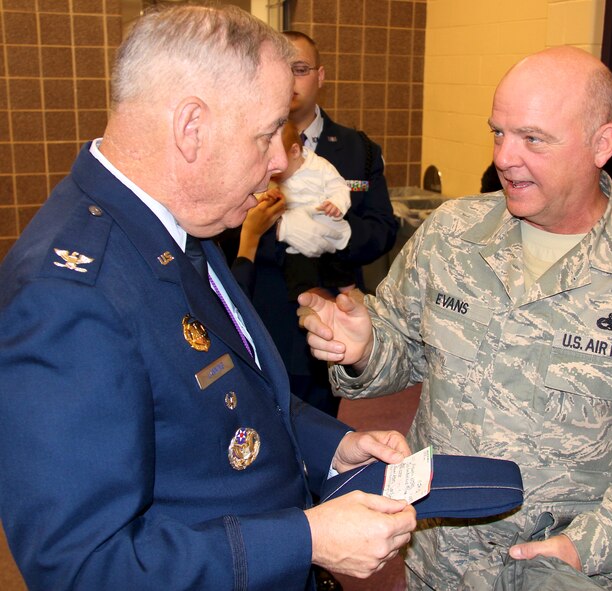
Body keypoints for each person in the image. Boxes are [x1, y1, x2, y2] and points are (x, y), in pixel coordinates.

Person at [0, 6, 416, 591]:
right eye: (268, 131)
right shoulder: (69, 298)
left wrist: (336, 445)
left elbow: (237, 390)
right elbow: (83, 567)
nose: (280, 160)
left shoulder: (176, 227)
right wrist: (306, 539)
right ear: (191, 127)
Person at [298, 47, 612, 590]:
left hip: (573, 569)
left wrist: (588, 545)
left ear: (602, 144)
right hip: (443, 557)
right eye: (498, 133)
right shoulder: (452, 235)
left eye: (533, 138)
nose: (506, 157)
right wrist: (367, 347)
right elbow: (403, 350)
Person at [235, 30, 398, 418]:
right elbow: (225, 230)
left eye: (301, 69)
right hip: (269, 313)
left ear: (320, 76)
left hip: (335, 321)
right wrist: (285, 231)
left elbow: (382, 228)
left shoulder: (358, 148)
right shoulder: (243, 144)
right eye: (282, 69)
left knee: (325, 428)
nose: (292, 79)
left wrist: (337, 237)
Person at [272, 120, 357, 299]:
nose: (273, 167)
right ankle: (309, 301)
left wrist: (336, 203)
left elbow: (339, 187)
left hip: (327, 228)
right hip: (297, 239)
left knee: (339, 268)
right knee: (297, 271)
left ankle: (349, 294)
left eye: (277, 159)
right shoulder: (275, 177)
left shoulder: (319, 166)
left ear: (295, 151)